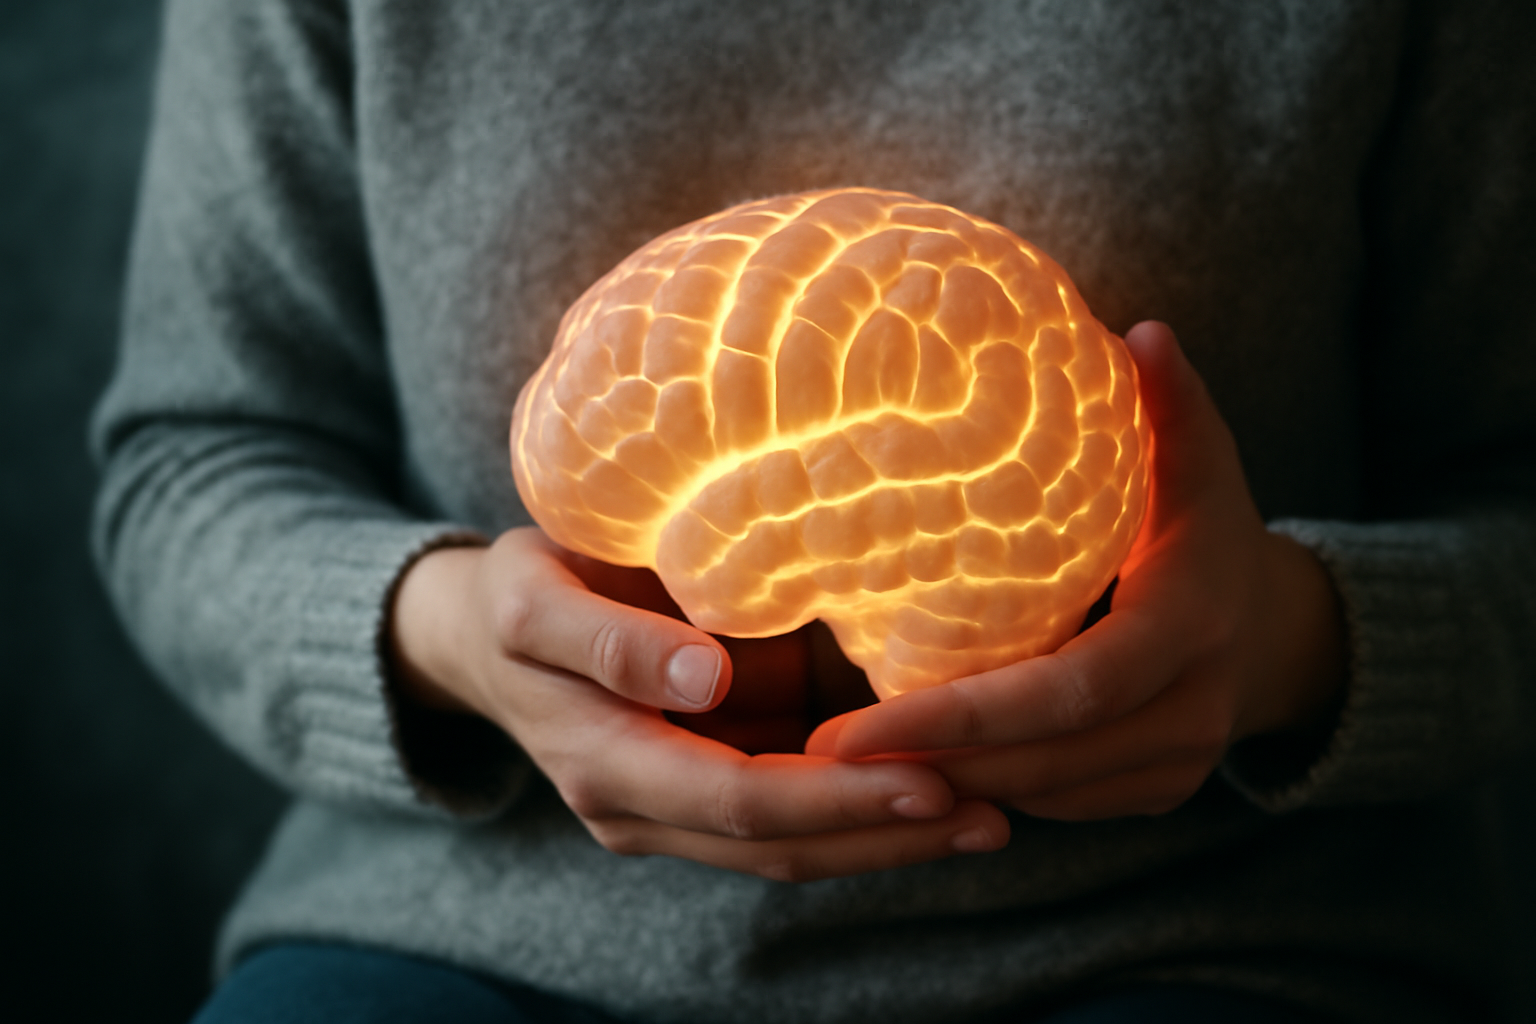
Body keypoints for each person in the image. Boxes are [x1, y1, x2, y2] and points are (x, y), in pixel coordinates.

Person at [93, 0, 1536, 1021]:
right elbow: (193, 460)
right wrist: (449, 638)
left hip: (1214, 929)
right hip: (462, 931)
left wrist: (1286, 648)